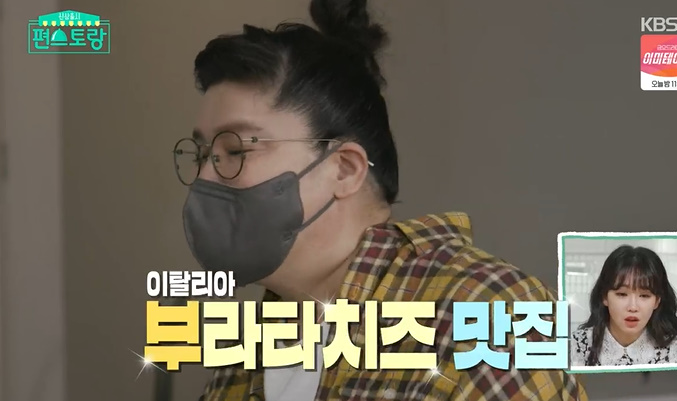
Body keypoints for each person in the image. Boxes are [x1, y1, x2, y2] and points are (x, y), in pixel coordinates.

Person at [176, 0, 589, 399]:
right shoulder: (247, 351)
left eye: (236, 150)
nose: (204, 177)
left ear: (344, 169)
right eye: (201, 156)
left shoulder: (482, 314)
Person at [570, 245, 677, 367]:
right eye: (622, 294)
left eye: (644, 295)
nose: (633, 307)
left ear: (657, 301)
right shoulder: (576, 347)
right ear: (605, 297)